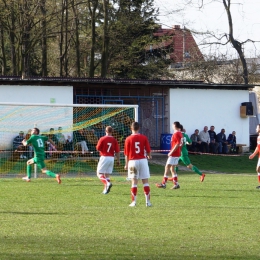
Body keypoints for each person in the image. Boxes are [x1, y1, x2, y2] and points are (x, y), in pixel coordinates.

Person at [124, 122, 152, 207]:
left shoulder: (128, 139)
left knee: (134, 182)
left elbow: (126, 154)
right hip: (143, 160)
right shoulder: (143, 137)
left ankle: (134, 202)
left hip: (133, 161)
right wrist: (149, 156)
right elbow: (148, 150)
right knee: (145, 181)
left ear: (131, 128)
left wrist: (126, 164)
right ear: (139, 128)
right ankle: (148, 202)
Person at [156, 121, 183, 189]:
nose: (172, 126)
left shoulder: (176, 133)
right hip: (177, 153)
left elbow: (177, 144)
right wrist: (179, 151)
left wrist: (171, 152)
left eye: (172, 125)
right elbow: (181, 144)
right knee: (172, 168)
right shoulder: (180, 133)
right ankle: (176, 184)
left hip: (174, 153)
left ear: (175, 126)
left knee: (167, 167)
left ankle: (163, 183)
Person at [96, 126, 120, 194]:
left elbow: (98, 148)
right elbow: (117, 151)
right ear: (112, 132)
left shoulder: (102, 139)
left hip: (104, 157)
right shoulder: (114, 140)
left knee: (99, 174)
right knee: (107, 175)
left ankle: (107, 183)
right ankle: (105, 190)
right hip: (111, 158)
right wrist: (118, 160)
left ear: (105, 131)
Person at [249, 124, 260, 189]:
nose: (256, 129)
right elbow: (258, 147)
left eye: (257, 127)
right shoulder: (258, 137)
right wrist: (253, 154)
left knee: (258, 169)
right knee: (258, 169)